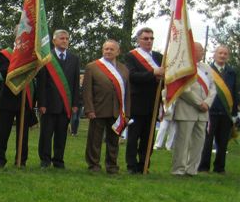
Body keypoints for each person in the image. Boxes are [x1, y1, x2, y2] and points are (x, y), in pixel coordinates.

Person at [82, 39, 131, 174]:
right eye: (106, 49)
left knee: (113, 141)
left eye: (111, 49)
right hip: (98, 109)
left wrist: (127, 113)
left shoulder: (124, 69)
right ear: (102, 50)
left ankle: (112, 166)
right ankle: (93, 165)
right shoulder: (92, 67)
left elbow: (127, 93)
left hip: (117, 111)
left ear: (118, 52)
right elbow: (87, 91)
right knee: (94, 140)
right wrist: (89, 109)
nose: (108, 51)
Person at [35, 29, 81, 169]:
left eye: (67, 38)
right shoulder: (47, 57)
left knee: (61, 135)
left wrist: (75, 103)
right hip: (49, 104)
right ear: (54, 41)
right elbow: (42, 83)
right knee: (46, 135)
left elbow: (75, 83)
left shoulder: (74, 59)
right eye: (62, 38)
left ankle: (58, 161)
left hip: (65, 104)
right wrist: (41, 103)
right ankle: (45, 160)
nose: (65, 41)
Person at [125, 27, 164, 173]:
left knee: (148, 138)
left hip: (153, 103)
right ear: (138, 40)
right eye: (145, 38)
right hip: (137, 103)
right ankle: (131, 165)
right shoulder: (131, 56)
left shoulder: (159, 57)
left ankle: (144, 164)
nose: (149, 41)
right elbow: (132, 76)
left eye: (151, 38)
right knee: (133, 137)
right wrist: (153, 73)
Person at [172, 42, 214, 176]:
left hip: (203, 112)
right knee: (183, 142)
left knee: (199, 142)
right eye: (200, 50)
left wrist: (207, 103)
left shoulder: (206, 68)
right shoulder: (183, 67)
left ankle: (192, 169)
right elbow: (183, 89)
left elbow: (213, 88)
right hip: (186, 109)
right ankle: (179, 169)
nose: (203, 52)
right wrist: (199, 103)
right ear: (193, 51)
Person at [199, 45, 238, 173]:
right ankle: (204, 167)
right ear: (214, 54)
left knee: (223, 142)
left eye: (225, 54)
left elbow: (234, 92)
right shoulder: (207, 70)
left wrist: (234, 113)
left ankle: (219, 168)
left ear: (228, 56)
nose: (222, 56)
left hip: (226, 112)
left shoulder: (232, 72)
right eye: (220, 53)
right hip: (211, 111)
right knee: (207, 141)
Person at [0, 47, 33, 167]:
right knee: (3, 132)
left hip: (25, 99)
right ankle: (0, 159)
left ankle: (21, 160)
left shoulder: (30, 55)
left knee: (23, 133)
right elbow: (6, 73)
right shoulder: (5, 54)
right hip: (8, 100)